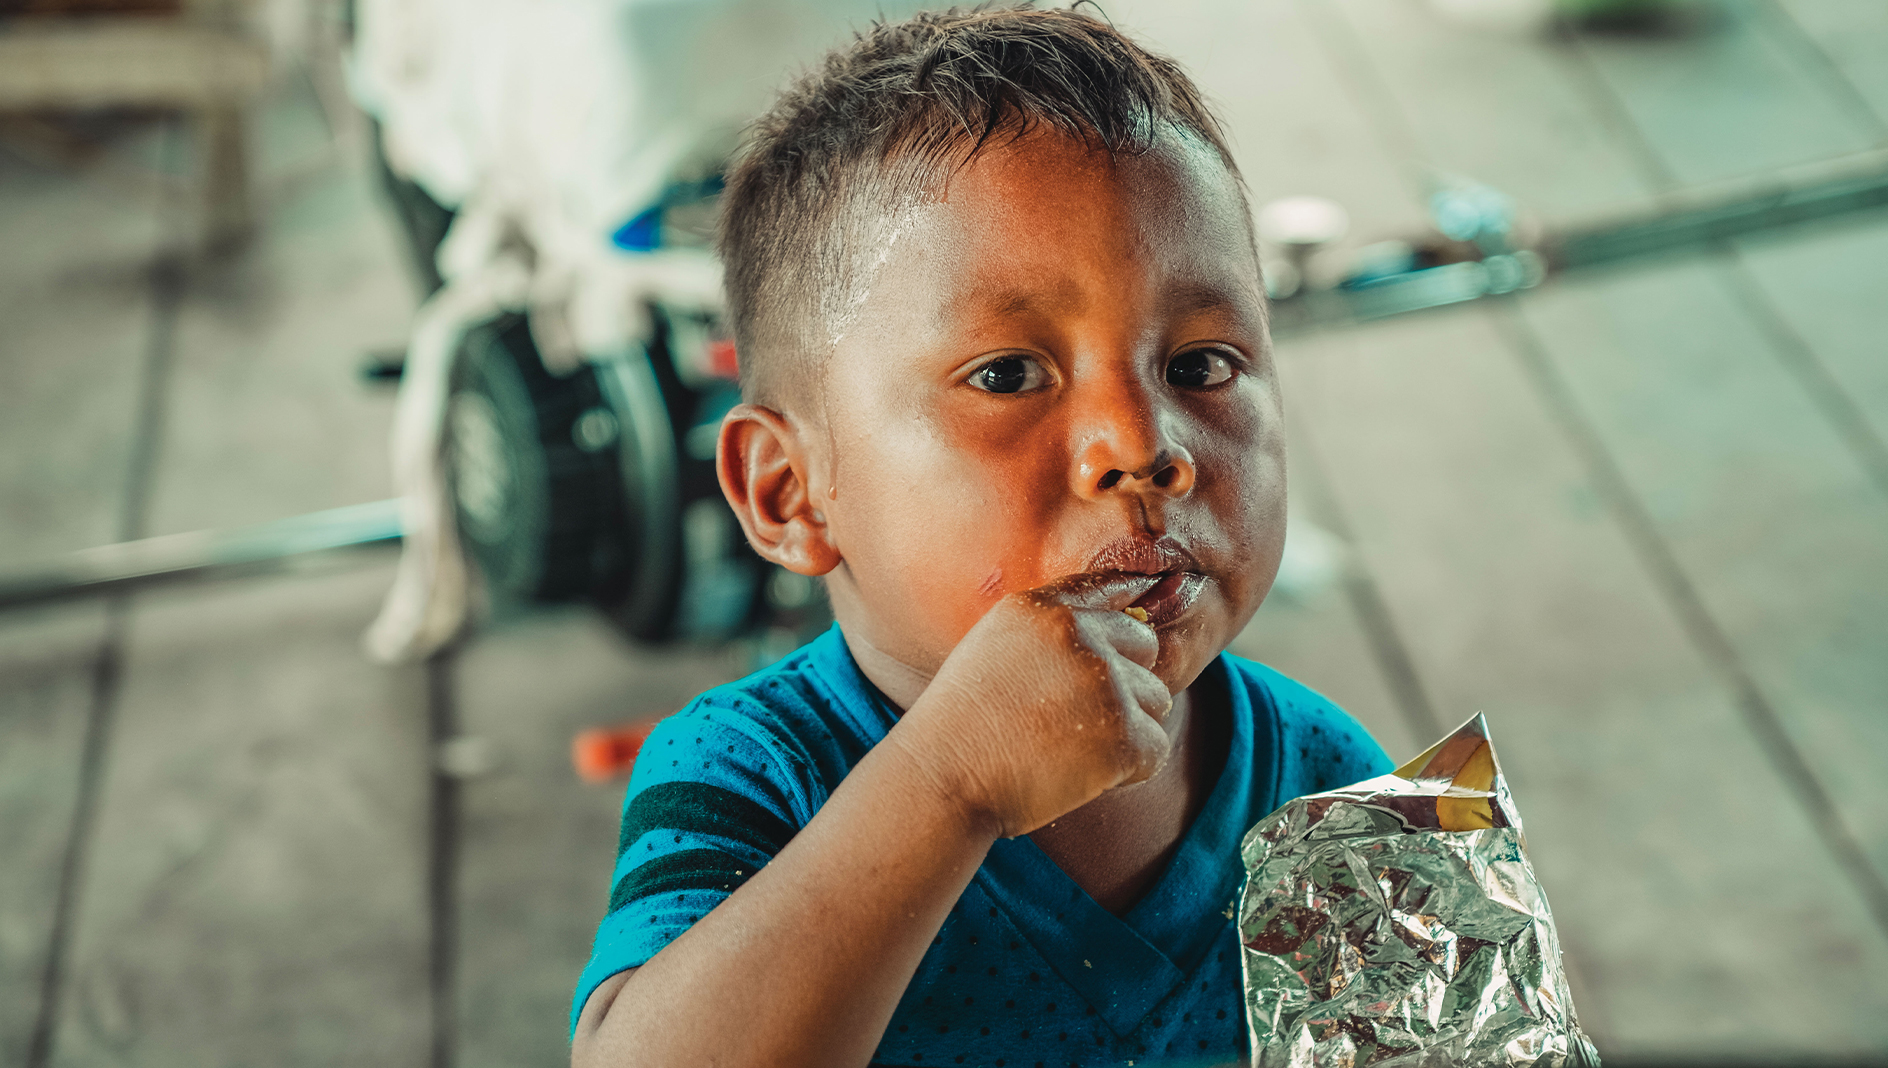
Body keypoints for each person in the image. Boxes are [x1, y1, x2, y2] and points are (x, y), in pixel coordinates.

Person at [569, 7, 1391, 1066]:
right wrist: (950, 782)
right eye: (1006, 375)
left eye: (1202, 365)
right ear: (790, 494)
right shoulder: (751, 773)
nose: (1141, 445)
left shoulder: (1323, 781)